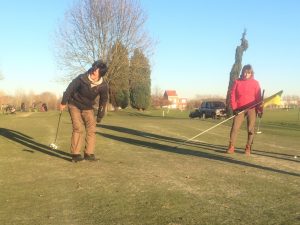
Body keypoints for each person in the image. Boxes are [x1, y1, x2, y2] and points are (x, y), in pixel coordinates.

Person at [60, 60, 109, 162]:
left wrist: (100, 115)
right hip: (74, 104)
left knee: (92, 128)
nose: (93, 71)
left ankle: (89, 154)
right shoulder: (82, 78)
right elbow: (70, 88)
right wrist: (63, 102)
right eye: (93, 68)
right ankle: (75, 154)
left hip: (88, 107)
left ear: (100, 74)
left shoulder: (103, 86)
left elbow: (103, 100)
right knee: (78, 127)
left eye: (96, 70)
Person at [227, 64, 262, 156]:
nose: (246, 74)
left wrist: (260, 109)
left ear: (251, 73)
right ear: (242, 72)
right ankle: (231, 146)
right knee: (235, 128)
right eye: (245, 72)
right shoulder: (237, 82)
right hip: (239, 109)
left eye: (249, 73)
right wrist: (234, 108)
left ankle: (248, 147)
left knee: (250, 129)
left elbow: (258, 98)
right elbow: (232, 95)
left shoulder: (255, 83)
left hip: (252, 108)